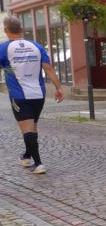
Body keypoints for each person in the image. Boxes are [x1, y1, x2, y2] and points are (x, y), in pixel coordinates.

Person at [0, 16, 64, 174]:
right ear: (21, 29)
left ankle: (39, 163)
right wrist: (59, 88)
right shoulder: (36, 46)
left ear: (6, 30)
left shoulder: (4, 48)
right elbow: (48, 68)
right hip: (38, 95)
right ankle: (27, 156)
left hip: (19, 95)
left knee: (26, 129)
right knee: (32, 127)